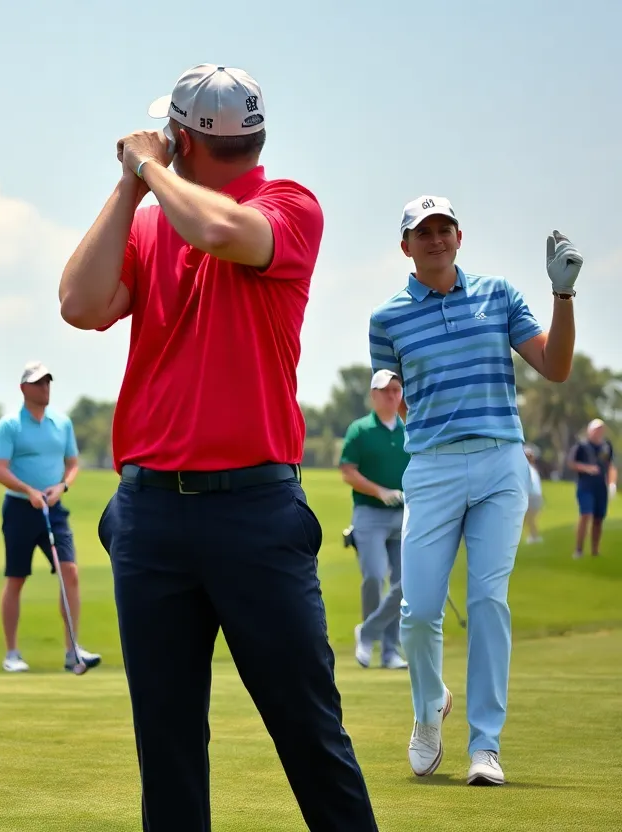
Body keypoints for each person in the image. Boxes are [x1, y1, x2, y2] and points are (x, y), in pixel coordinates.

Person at [58, 64, 379, 830]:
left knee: (309, 731)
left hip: (256, 512)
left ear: (181, 138)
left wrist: (145, 165)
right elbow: (78, 303)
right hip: (151, 513)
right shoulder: (148, 217)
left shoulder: (289, 205)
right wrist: (131, 190)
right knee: (165, 746)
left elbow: (217, 230)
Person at [368, 194, 581, 786]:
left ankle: (485, 746)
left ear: (459, 237)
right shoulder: (386, 319)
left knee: (488, 601)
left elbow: (556, 367)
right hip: (432, 469)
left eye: (445, 229)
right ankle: (428, 708)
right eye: (423, 231)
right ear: (405, 245)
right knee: (417, 613)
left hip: (499, 465)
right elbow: (395, 394)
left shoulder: (500, 294)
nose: (435, 239)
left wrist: (562, 297)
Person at [0, 361, 101, 674]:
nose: (45, 388)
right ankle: (11, 653)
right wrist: (29, 491)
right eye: (38, 383)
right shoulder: (10, 425)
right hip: (20, 509)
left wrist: (62, 486)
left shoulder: (62, 423)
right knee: (16, 578)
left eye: (47, 382)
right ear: (24, 388)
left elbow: (73, 464)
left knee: (71, 572)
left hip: (54, 508)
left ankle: (72, 650)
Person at [340, 369, 410, 671]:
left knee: (403, 583)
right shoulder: (360, 429)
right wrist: (380, 491)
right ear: (374, 396)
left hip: (404, 514)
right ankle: (369, 638)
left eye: (396, 390)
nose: (392, 395)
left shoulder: (409, 429)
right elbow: (348, 471)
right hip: (369, 514)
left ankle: (387, 649)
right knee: (373, 575)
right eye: (385, 391)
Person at [567, 418, 616, 559]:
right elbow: (571, 463)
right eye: (596, 429)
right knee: (586, 514)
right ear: (590, 431)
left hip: (601, 487)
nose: (598, 432)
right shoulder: (581, 446)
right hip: (585, 486)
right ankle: (579, 549)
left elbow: (611, 465)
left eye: (600, 429)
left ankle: (595, 550)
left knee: (599, 518)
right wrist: (587, 468)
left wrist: (612, 483)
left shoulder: (606, 446)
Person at [523, 445, 544, 544]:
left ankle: (533, 537)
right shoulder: (530, 468)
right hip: (533, 496)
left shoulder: (529, 468)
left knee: (528, 519)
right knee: (529, 519)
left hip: (532, 496)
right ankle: (533, 536)